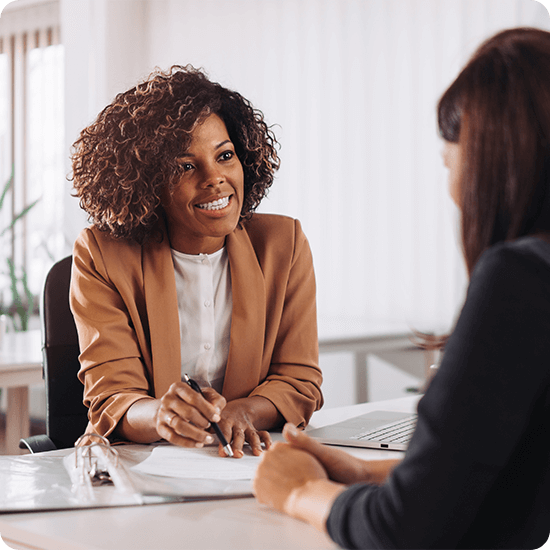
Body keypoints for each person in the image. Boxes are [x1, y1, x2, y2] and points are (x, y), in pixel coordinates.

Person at [253, 27, 550, 548]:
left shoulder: (519, 281)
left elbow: (406, 530)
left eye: (450, 158)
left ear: (491, 158)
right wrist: (373, 476)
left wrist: (301, 492)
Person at [69, 65, 323, 459]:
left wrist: (245, 412)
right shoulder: (102, 254)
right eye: (185, 166)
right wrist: (161, 416)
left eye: (225, 156)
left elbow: (298, 380)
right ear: (148, 181)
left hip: (244, 463)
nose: (215, 178)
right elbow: (113, 397)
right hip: (140, 468)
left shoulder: (282, 245)